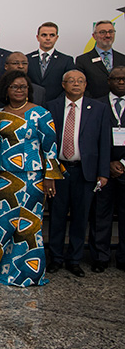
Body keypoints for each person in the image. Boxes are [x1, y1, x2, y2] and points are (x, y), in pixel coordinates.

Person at [0, 70, 62, 286]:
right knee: (1, 224)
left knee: (29, 227)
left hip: (33, 180)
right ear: (6, 90)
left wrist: (50, 177)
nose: (18, 90)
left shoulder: (41, 114)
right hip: (4, 177)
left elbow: (50, 148)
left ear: (29, 90)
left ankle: (27, 274)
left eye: (23, 87)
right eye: (14, 86)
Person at [46, 69, 110, 277]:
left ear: (85, 85)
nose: (76, 84)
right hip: (59, 170)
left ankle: (74, 259)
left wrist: (103, 173)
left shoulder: (99, 109)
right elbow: (46, 143)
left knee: (81, 217)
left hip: (85, 171)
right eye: (71, 81)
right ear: (63, 84)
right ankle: (55, 258)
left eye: (80, 81)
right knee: (56, 216)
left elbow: (104, 143)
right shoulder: (51, 107)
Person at [90, 66, 125, 272]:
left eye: (124, 79)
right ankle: (100, 257)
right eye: (116, 79)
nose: (121, 82)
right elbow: (92, 138)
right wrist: (108, 163)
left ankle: (123, 258)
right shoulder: (97, 105)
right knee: (100, 215)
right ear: (108, 81)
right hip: (103, 168)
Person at [26, 22, 75, 103]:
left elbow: (69, 85)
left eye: (52, 35)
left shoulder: (66, 60)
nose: (48, 38)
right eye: (44, 35)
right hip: (32, 104)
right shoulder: (27, 59)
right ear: (37, 37)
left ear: (56, 38)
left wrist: (57, 102)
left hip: (56, 104)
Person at [76, 20, 125, 99]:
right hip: (95, 106)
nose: (108, 35)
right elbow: (81, 87)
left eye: (111, 31)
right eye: (103, 32)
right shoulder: (83, 60)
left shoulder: (123, 59)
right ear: (94, 36)